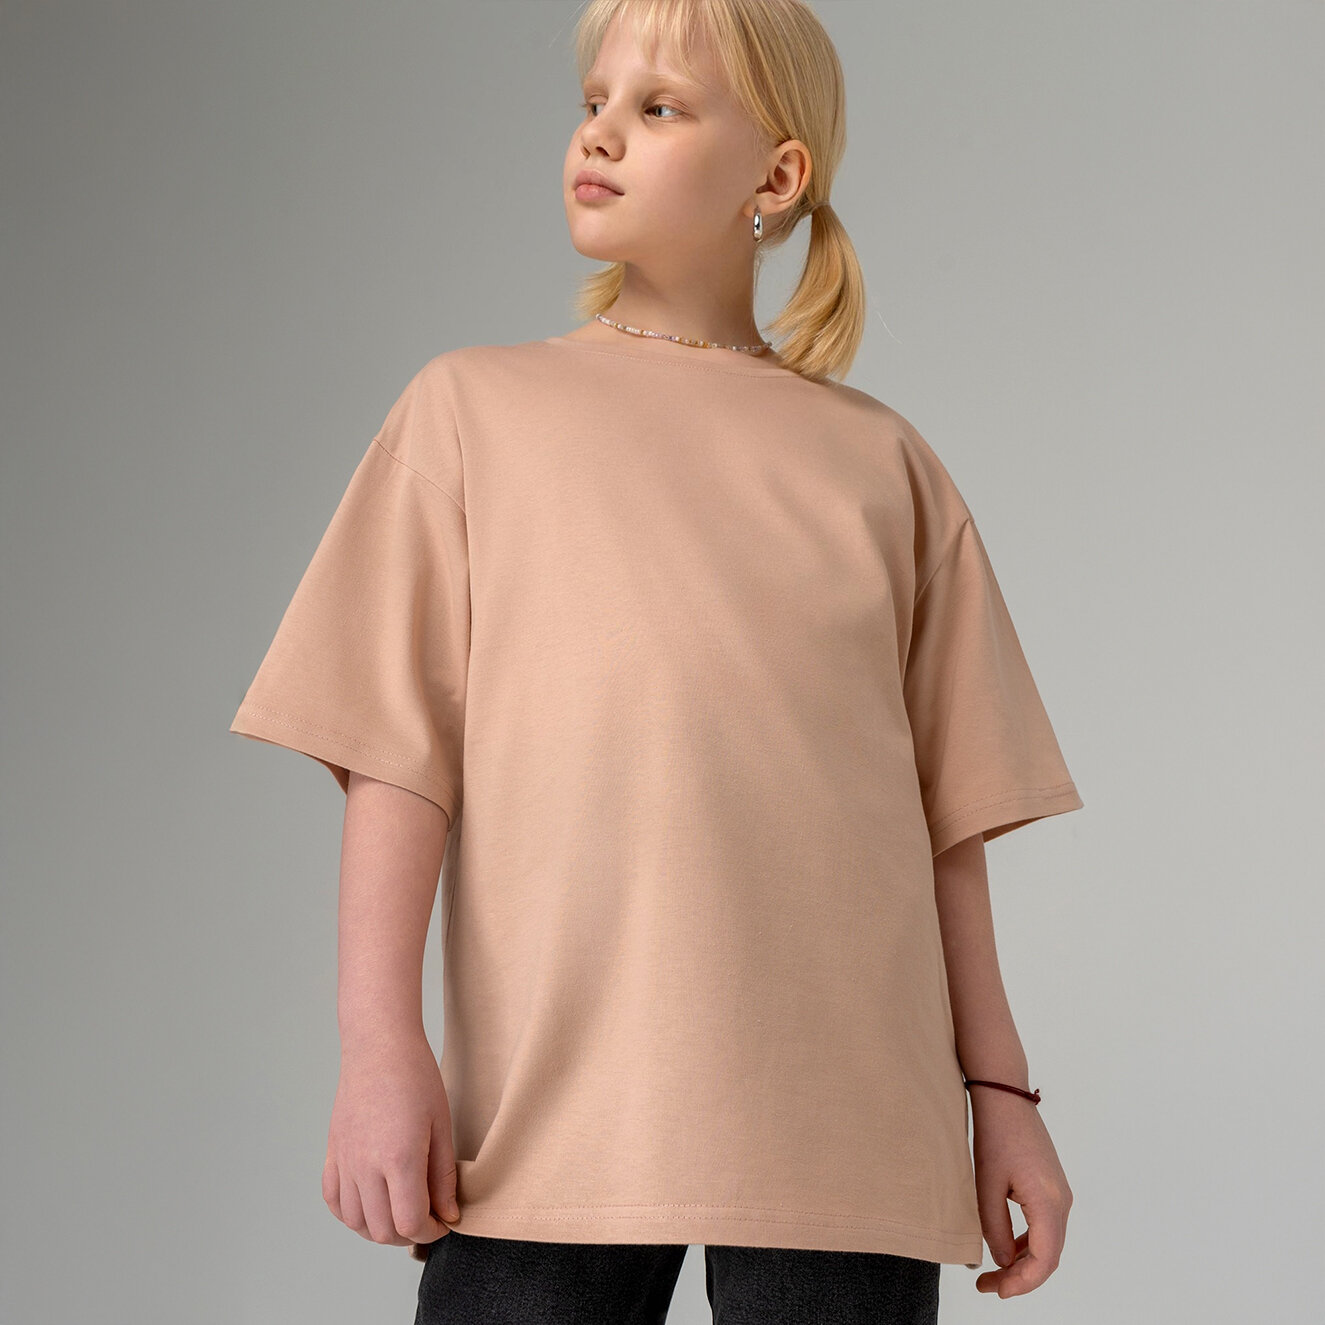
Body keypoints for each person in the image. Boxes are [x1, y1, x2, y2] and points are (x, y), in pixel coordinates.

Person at [228, 0, 1083, 1320]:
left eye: (659, 107)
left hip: (848, 1128)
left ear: (776, 177)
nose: (601, 134)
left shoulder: (882, 464)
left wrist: (1003, 1096)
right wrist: (378, 1046)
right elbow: (398, 759)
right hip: (549, 1123)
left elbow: (944, 829)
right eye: (592, 103)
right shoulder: (471, 413)